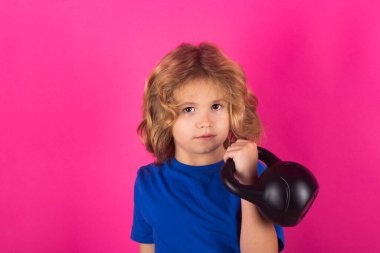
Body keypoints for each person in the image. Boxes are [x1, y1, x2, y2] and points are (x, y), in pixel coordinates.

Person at [131, 42, 285, 253]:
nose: (205, 121)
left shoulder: (255, 174)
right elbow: (148, 247)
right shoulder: (148, 182)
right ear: (163, 117)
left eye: (216, 106)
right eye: (188, 109)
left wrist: (248, 183)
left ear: (233, 110)